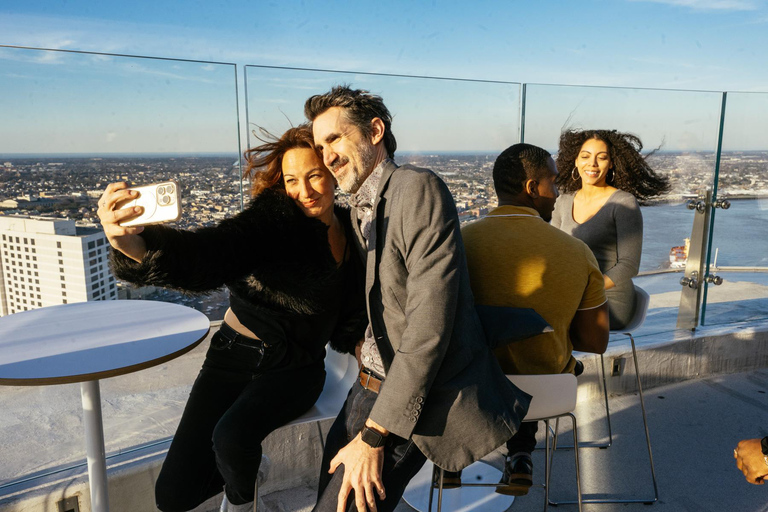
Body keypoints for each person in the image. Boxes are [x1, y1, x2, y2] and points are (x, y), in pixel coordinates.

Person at [98, 125, 366, 512]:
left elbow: (354, 317)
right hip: (232, 358)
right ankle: (249, 468)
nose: (303, 191)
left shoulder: (354, 232)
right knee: (173, 496)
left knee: (232, 437)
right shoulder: (275, 220)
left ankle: (242, 501)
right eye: (291, 180)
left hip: (296, 368)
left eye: (314, 176)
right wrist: (127, 243)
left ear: (332, 172)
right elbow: (214, 252)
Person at [303, 85, 531, 512]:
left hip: (405, 402)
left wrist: (374, 435)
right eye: (320, 145)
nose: (326, 155)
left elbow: (429, 324)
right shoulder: (357, 208)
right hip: (365, 386)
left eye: (334, 138)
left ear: (375, 131)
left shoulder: (416, 190)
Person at [460, 143, 609, 496]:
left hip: (470, 389)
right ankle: (522, 454)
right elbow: (595, 342)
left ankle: (448, 463)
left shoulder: (459, 242)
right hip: (546, 391)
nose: (558, 194)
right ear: (531, 189)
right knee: (535, 358)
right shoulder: (577, 252)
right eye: (553, 183)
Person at [551, 129, 670, 330]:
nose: (593, 164)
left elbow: (629, 265)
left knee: (548, 324)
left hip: (610, 300)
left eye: (602, 157)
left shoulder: (623, 203)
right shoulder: (563, 201)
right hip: (572, 294)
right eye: (585, 156)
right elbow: (553, 254)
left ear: (612, 163)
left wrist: (584, 291)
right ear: (576, 161)